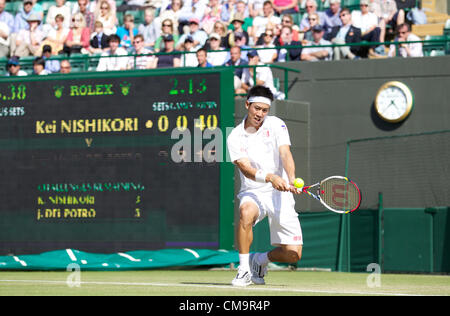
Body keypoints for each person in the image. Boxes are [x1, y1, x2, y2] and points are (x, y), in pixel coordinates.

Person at [226, 85, 303, 286]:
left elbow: (285, 153)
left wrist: (292, 179)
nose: (260, 114)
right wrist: (270, 177)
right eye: (256, 108)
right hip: (254, 190)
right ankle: (243, 270)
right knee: (245, 212)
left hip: (281, 194)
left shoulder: (277, 125)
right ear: (247, 105)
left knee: (293, 254)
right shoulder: (234, 136)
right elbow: (245, 168)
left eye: (264, 110)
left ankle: (259, 260)